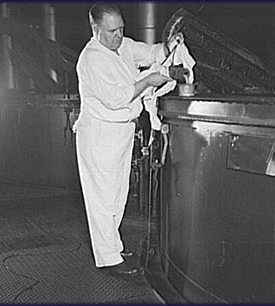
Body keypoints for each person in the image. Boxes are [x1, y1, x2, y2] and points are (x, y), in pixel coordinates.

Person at [73, 2, 183, 276]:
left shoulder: (120, 47)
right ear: (95, 28)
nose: (118, 36)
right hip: (100, 135)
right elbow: (117, 98)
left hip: (120, 133)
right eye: (111, 31)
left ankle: (114, 247)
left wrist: (169, 45)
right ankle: (109, 259)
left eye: (121, 29)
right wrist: (149, 81)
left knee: (117, 195)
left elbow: (150, 52)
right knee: (103, 199)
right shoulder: (92, 59)